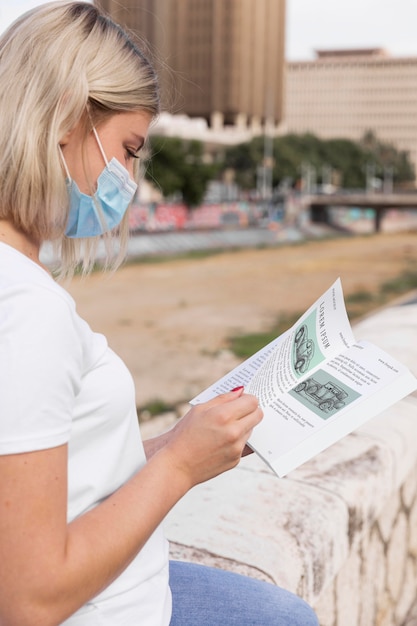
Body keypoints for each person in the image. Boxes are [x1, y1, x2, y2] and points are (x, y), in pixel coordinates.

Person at [0, 3, 319, 625]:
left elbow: (42, 477)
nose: (128, 176)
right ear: (67, 116)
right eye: (128, 148)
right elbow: (27, 600)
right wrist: (177, 467)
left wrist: (176, 441)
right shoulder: (26, 309)